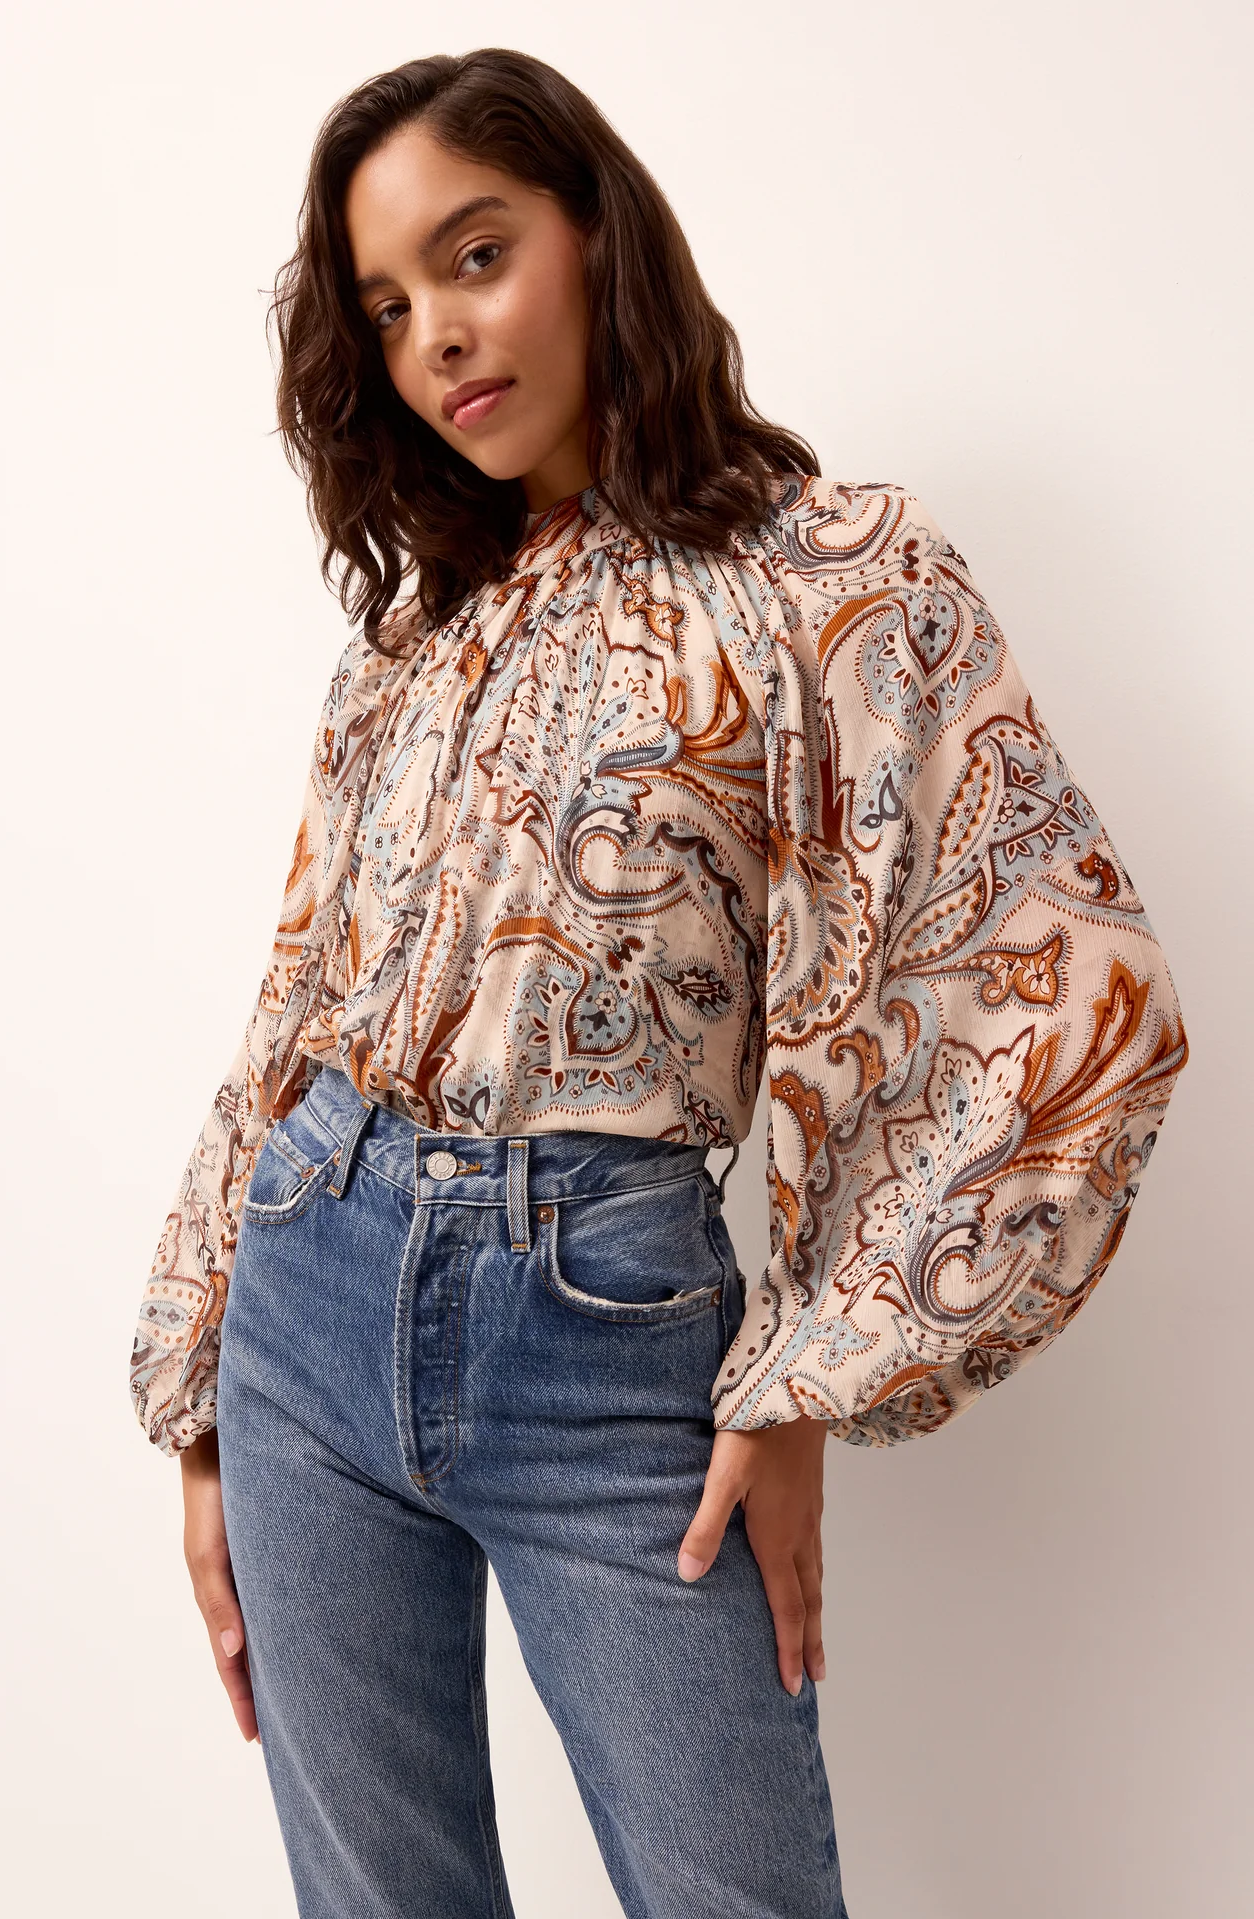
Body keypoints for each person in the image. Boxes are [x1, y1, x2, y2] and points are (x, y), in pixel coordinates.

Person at [127, 47, 1189, 1919]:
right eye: (389, 307)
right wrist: (201, 1384)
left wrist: (806, 1377)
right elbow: (296, 1006)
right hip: (305, 1293)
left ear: (597, 231)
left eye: (475, 255)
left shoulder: (836, 573)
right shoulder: (413, 640)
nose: (440, 338)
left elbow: (1073, 997)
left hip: (604, 1317)